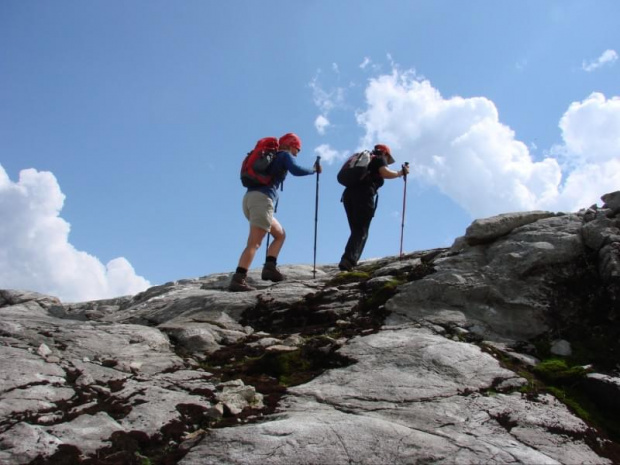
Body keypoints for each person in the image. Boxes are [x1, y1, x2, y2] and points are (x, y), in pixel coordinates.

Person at [229, 133, 322, 292]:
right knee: (254, 243)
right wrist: (313, 170)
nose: (297, 153)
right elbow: (296, 170)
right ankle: (238, 279)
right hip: (261, 200)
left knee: (280, 234)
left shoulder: (270, 157)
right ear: (291, 145)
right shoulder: (284, 155)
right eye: (297, 149)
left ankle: (269, 268)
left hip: (250, 199)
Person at [339, 144, 409, 272]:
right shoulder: (378, 158)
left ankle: (348, 259)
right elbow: (385, 172)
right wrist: (400, 173)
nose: (387, 162)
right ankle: (348, 261)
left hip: (348, 196)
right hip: (364, 195)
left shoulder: (363, 160)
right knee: (361, 230)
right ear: (385, 153)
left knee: (356, 230)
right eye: (388, 159)